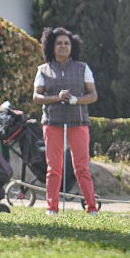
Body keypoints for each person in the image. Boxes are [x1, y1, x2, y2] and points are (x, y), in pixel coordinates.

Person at [32, 27, 99, 215]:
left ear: (72, 47)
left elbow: (93, 95)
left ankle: (91, 207)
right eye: (59, 43)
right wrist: (56, 98)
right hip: (52, 123)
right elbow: (37, 97)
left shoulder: (83, 68)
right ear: (51, 47)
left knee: (82, 167)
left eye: (66, 43)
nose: (63, 46)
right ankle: (51, 208)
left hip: (78, 123)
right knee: (53, 168)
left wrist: (76, 100)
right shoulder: (43, 70)